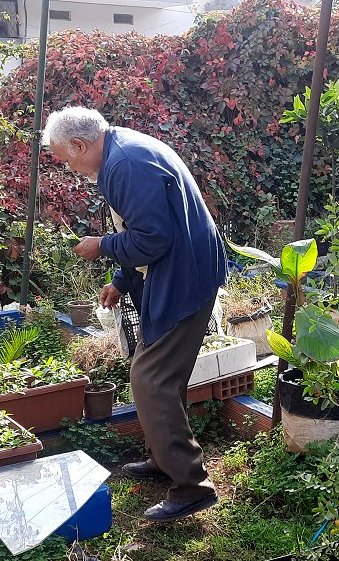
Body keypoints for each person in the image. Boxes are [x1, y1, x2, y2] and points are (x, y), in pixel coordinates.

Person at [42, 106, 227, 522]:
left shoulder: (124, 164)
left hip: (185, 276)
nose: (70, 168)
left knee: (151, 380)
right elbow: (139, 228)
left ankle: (192, 486)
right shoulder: (120, 151)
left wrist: (102, 246)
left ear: (79, 145)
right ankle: (164, 459)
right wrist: (122, 280)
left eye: (66, 159)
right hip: (178, 269)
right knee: (159, 375)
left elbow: (153, 238)